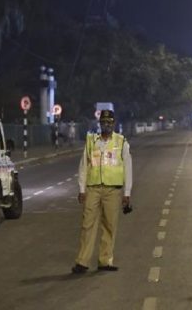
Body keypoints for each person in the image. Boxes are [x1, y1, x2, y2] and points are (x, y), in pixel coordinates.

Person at [71, 109, 132, 274]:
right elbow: (84, 166)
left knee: (109, 225)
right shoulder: (92, 141)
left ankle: (105, 260)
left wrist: (127, 193)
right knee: (87, 224)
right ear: (100, 124)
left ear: (114, 124)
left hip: (113, 190)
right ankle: (82, 262)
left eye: (109, 122)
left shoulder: (121, 142)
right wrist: (81, 189)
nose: (106, 125)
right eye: (104, 122)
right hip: (93, 189)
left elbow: (128, 168)